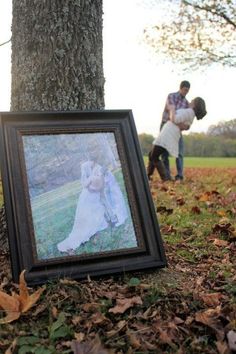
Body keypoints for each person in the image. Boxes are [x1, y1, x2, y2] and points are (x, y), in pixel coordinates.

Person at [57, 148, 128, 253]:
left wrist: (93, 186)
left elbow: (101, 186)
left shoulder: (101, 170)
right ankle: (82, 233)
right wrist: (91, 184)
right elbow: (85, 184)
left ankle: (97, 226)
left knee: (96, 212)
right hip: (87, 196)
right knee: (84, 216)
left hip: (94, 196)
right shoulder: (86, 167)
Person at [147, 97, 207, 181]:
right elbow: (183, 125)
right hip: (168, 133)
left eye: (192, 100)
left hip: (168, 135)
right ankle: (148, 176)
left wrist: (172, 109)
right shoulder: (190, 113)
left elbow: (174, 119)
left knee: (154, 156)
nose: (190, 101)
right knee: (152, 154)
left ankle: (165, 178)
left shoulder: (189, 112)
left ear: (194, 104)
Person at [148, 81, 191, 181]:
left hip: (176, 129)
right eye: (185, 90)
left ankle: (179, 175)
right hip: (165, 126)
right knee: (163, 153)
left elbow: (184, 118)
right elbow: (173, 115)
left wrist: (182, 124)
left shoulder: (186, 103)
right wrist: (178, 121)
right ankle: (166, 176)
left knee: (179, 152)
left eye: (188, 91)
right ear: (180, 88)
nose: (186, 92)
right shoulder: (171, 96)